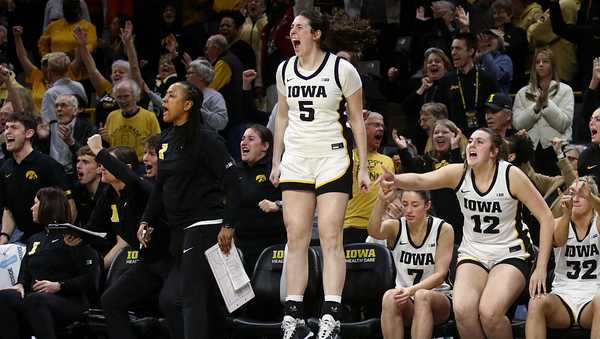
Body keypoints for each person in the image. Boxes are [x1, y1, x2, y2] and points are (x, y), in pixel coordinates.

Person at [380, 127, 555, 339]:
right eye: (470, 141)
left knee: (489, 312)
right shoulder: (459, 172)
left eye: (480, 142)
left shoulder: (510, 175)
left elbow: (546, 217)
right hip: (473, 252)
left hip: (510, 252)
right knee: (462, 311)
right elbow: (421, 180)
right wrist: (395, 180)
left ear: (493, 151)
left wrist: (541, 267)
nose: (472, 145)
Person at [271, 9, 369, 339]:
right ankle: (293, 316)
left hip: (332, 158)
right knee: (295, 237)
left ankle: (331, 313)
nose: (292, 33)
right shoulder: (284, 70)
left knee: (330, 236)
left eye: (299, 27)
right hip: (297, 157)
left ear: (316, 34)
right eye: (291, 29)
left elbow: (357, 121)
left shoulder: (343, 70)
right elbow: (282, 118)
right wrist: (275, 161)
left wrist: (365, 166)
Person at [138, 81, 240, 339]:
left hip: (205, 226)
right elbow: (161, 187)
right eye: (165, 95)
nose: (165, 100)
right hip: (178, 230)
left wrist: (228, 225)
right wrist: (146, 221)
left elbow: (232, 182)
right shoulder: (165, 140)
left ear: (188, 104)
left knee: (190, 298)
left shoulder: (206, 139)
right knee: (173, 300)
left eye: (172, 95)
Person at [82, 134, 170, 339]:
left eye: (107, 162)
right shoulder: (109, 194)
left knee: (172, 303)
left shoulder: (143, 188)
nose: (101, 166)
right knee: (111, 300)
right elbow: (94, 228)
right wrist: (77, 236)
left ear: (126, 168)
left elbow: (134, 181)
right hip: (148, 261)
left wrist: (100, 151)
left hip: (170, 259)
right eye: (101, 163)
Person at [0, 187, 99, 339]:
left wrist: (59, 286)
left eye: (36, 204)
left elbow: (90, 279)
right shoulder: (35, 239)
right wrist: (20, 284)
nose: (31, 208)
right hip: (36, 297)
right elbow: (25, 268)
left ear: (48, 206)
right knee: (5, 297)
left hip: (69, 299)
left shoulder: (73, 237)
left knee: (35, 300)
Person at [368, 189, 453, 339]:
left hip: (438, 298)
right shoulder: (395, 227)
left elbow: (440, 275)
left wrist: (411, 290)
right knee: (389, 296)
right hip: (406, 298)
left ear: (427, 205)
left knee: (422, 296)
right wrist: (381, 200)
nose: (408, 210)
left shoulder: (443, 229)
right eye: (405, 204)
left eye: (415, 205)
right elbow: (374, 231)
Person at [526, 178, 600, 338]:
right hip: (562, 297)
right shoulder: (556, 223)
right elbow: (559, 240)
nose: (576, 198)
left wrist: (592, 199)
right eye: (572, 193)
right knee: (536, 303)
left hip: (593, 298)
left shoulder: (597, 223)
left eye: (582, 194)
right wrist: (566, 214)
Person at [0, 112, 73, 244]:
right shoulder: (6, 168)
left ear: (29, 133)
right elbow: (8, 209)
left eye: (14, 127)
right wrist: (4, 236)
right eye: (6, 127)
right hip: (21, 237)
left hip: (48, 237)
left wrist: (61, 239)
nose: (7, 132)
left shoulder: (48, 165)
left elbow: (69, 206)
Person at [395, 119, 465, 243]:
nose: (439, 135)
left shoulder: (463, 158)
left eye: (445, 132)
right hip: (434, 218)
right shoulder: (427, 160)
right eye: (436, 132)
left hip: (459, 220)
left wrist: (455, 149)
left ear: (455, 136)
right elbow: (416, 176)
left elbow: (460, 175)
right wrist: (403, 150)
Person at [513, 48, 574, 176]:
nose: (540, 64)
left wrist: (546, 104)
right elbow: (518, 125)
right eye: (537, 62)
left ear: (552, 65)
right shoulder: (522, 93)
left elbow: (563, 124)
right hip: (531, 151)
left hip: (556, 150)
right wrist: (536, 107)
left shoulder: (565, 91)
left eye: (545, 61)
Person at [237, 124, 286, 272]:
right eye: (243, 139)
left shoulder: (276, 170)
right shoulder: (235, 171)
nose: (244, 143)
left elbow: (299, 201)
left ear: (265, 146)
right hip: (241, 244)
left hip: (272, 244)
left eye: (251, 139)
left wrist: (277, 204)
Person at [344, 112, 394, 244]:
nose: (381, 129)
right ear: (363, 128)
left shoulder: (388, 161)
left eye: (382, 126)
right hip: (350, 224)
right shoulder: (348, 156)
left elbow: (389, 193)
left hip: (377, 226)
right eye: (376, 125)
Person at [435, 33, 498, 137]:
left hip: (483, 136)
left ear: (471, 51)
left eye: (458, 48)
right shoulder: (446, 80)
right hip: (455, 137)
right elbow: (440, 113)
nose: (453, 53)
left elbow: (495, 109)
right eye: (452, 49)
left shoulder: (487, 78)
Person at [103, 79, 162, 160]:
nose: (123, 101)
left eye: (126, 96)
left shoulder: (149, 117)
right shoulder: (112, 116)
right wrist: (105, 139)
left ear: (136, 96)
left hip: (140, 165)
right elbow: (111, 143)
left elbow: (157, 143)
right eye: (119, 97)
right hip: (116, 163)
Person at [186, 59, 228, 131]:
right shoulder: (185, 94)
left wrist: (200, 111)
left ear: (201, 76)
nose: (186, 76)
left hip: (204, 139)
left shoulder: (215, 96)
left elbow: (221, 123)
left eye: (190, 73)